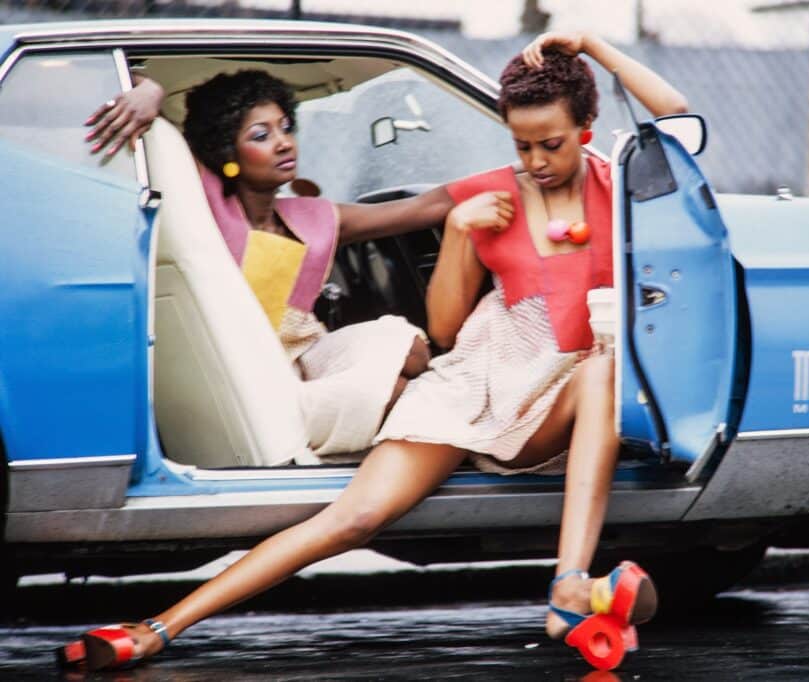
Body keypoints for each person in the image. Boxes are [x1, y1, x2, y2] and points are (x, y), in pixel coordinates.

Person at [60, 31, 688, 672]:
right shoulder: (487, 195)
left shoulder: (622, 187)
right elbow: (444, 329)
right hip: (473, 380)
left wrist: (594, 48)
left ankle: (569, 584)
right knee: (354, 517)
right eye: (520, 145)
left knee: (605, 372)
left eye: (550, 143)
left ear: (587, 126)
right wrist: (459, 234)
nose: (535, 161)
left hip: (559, 388)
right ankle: (159, 627)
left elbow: (679, 123)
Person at [92, 70, 456, 458]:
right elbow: (132, 76)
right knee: (404, 393)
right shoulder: (206, 211)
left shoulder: (312, 216)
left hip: (311, 359)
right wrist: (152, 89)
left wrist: (521, 174)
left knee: (412, 348)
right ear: (225, 154)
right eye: (261, 136)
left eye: (285, 128)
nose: (283, 143)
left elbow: (425, 207)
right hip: (262, 380)